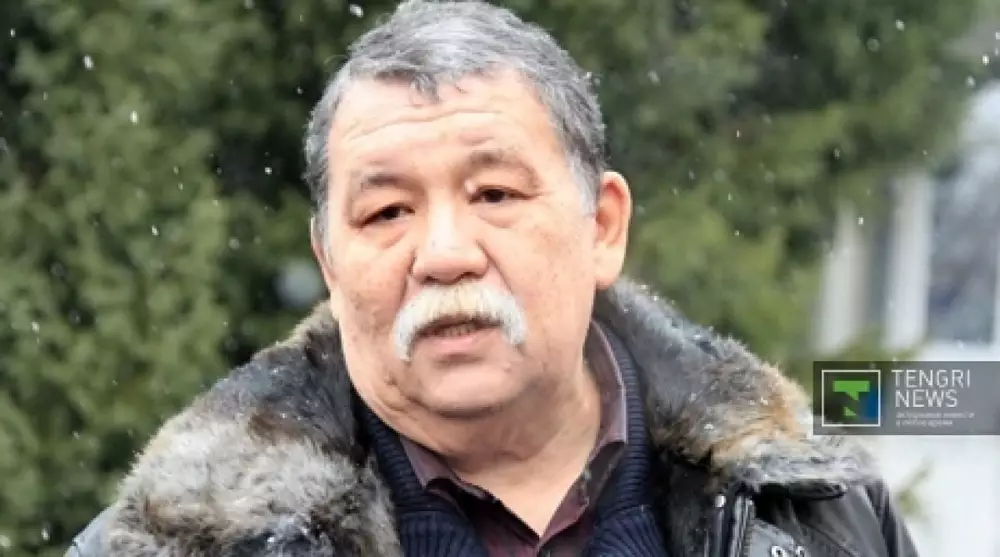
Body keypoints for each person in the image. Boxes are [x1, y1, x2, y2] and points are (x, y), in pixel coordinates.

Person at [67, 1, 919, 555]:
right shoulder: (177, 539)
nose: (444, 253)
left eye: (495, 194)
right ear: (330, 262)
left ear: (602, 226)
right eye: (387, 212)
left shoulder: (815, 515)